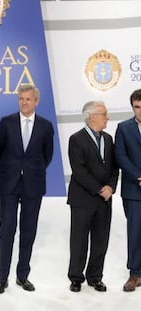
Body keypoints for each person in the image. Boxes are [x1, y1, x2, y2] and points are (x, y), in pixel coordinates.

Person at [0, 84, 54, 294]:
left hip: (33, 186)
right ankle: (2, 278)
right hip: (8, 185)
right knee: (7, 230)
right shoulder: (6, 123)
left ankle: (22, 275)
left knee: (28, 232)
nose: (24, 102)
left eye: (28, 99)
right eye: (21, 99)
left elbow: (47, 156)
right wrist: (12, 170)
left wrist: (30, 171)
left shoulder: (45, 126)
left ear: (36, 101)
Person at [67, 101, 118, 293]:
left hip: (105, 199)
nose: (108, 117)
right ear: (93, 116)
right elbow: (79, 171)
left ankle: (95, 277)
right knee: (79, 240)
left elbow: (114, 167)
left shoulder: (109, 139)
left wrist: (110, 188)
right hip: (83, 199)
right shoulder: (76, 139)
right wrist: (99, 189)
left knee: (100, 240)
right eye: (104, 114)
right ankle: (76, 278)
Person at [115, 89, 141, 292]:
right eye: (137, 107)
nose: (140, 111)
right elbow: (120, 156)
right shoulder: (123, 128)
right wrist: (138, 176)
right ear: (132, 107)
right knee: (135, 232)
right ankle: (135, 274)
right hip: (134, 189)